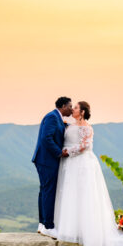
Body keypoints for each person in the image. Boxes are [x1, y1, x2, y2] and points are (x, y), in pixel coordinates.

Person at [54, 101, 123, 246]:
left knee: (84, 195)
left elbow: (85, 146)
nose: (72, 109)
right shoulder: (70, 124)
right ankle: (72, 229)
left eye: (75, 108)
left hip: (81, 163)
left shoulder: (87, 128)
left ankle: (87, 231)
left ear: (82, 112)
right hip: (70, 164)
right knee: (71, 193)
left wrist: (66, 152)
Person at [31, 96, 73, 238]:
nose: (71, 109)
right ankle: (48, 226)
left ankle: (42, 224)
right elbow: (46, 138)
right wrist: (59, 153)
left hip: (45, 160)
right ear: (62, 106)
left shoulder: (57, 118)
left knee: (44, 191)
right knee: (49, 191)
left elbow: (54, 134)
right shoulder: (52, 117)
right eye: (70, 106)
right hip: (47, 160)